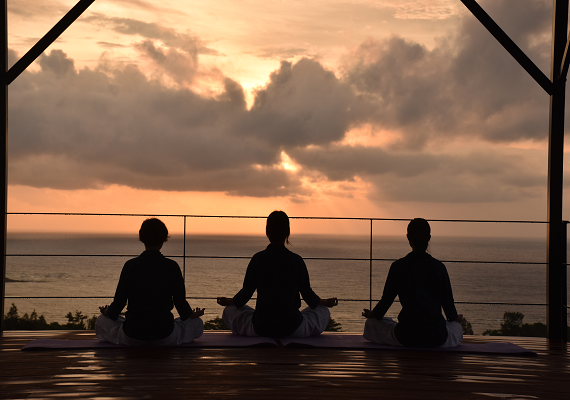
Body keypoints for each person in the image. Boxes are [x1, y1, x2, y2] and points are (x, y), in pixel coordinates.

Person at [217, 211, 338, 337]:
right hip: (293, 328)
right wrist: (325, 302)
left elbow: (245, 295)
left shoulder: (258, 259)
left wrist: (229, 302)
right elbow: (308, 296)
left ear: (267, 231)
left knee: (229, 310)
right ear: (288, 232)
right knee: (323, 311)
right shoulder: (296, 260)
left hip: (261, 328)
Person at [95, 218, 204, 345]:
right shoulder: (172, 266)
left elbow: (118, 304)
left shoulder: (130, 266)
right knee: (197, 323)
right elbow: (181, 307)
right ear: (164, 239)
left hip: (132, 335)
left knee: (102, 320)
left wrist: (107, 312)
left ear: (141, 238)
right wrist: (193, 315)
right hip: (165, 335)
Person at [362, 218, 463, 347]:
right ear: (429, 237)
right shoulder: (439, 267)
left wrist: (372, 314)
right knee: (456, 328)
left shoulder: (398, 266)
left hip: (406, 336)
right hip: (436, 337)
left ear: (408, 237)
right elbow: (449, 308)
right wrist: (456, 319)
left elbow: (386, 301)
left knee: (371, 324)